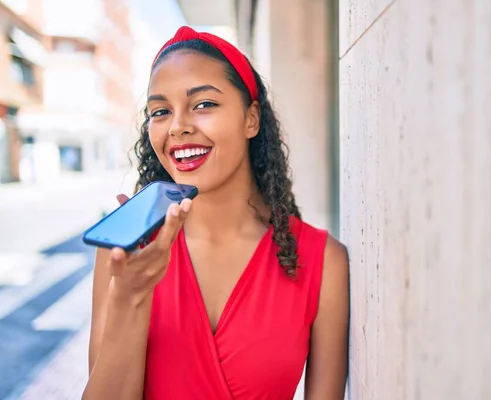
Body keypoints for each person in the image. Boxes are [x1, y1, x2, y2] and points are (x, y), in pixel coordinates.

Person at [83, 26, 349, 400]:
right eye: (160, 111)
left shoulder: (323, 263)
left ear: (251, 119)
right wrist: (131, 299)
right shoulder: (129, 253)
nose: (178, 126)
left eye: (203, 104)